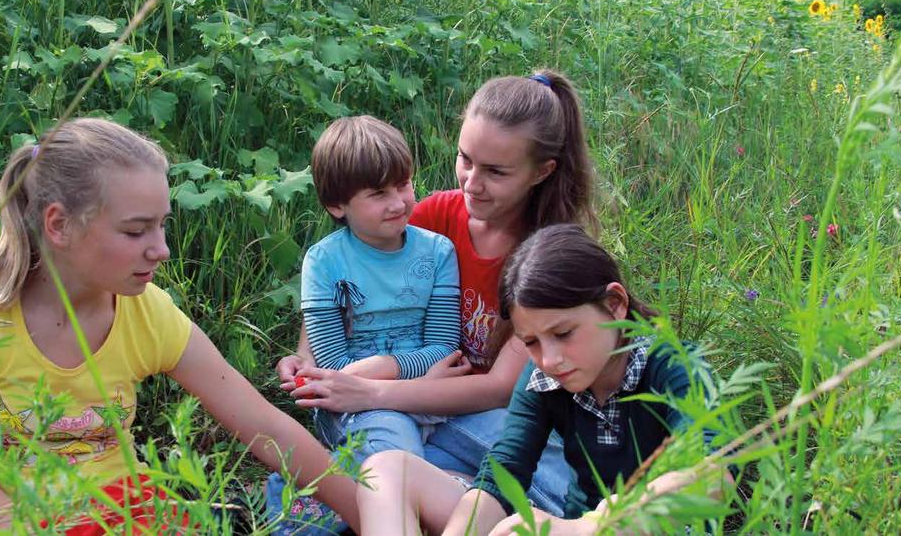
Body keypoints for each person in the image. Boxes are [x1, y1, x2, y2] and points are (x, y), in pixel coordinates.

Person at [0, 118, 360, 535]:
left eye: (162, 226)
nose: (162, 250)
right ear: (59, 224)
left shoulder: (146, 311)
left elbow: (266, 426)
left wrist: (367, 514)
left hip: (127, 513)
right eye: (136, 232)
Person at [276, 70, 599, 518]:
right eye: (465, 159)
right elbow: (353, 287)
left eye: (495, 172)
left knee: (560, 481)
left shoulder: (547, 256)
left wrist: (376, 389)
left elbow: (501, 389)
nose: (471, 182)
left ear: (542, 172)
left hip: (473, 405)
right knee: (393, 471)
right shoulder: (437, 218)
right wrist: (307, 355)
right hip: (408, 394)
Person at [357, 224, 730, 535]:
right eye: (531, 342)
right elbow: (503, 474)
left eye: (564, 333)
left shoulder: (675, 366)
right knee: (388, 468)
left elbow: (716, 475)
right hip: (571, 522)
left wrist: (589, 526)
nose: (549, 359)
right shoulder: (545, 378)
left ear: (615, 305)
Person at [301, 114, 460, 460]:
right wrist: (407, 377)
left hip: (431, 395)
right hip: (351, 408)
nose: (398, 202)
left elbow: (445, 347)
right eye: (377, 193)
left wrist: (385, 368)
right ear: (336, 205)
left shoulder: (438, 252)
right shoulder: (323, 262)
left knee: (501, 431)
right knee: (395, 448)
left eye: (403, 184)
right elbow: (336, 369)